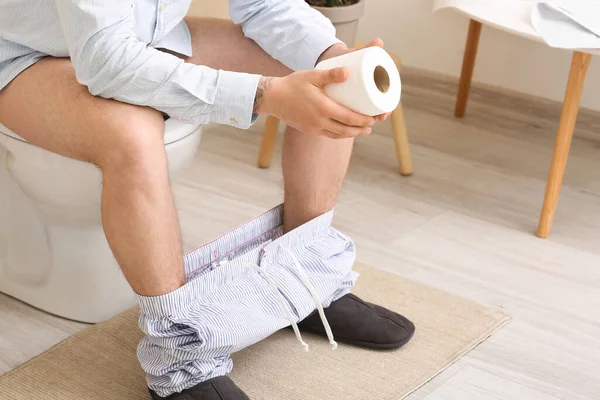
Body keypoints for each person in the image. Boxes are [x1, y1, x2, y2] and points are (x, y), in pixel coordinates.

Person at [0, 1, 415, 399]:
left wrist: (335, 56)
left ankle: (306, 281)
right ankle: (181, 361)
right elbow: (106, 61)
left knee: (331, 77)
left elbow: (266, 4)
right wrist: (264, 94)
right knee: (133, 135)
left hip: (148, 39)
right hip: (29, 56)